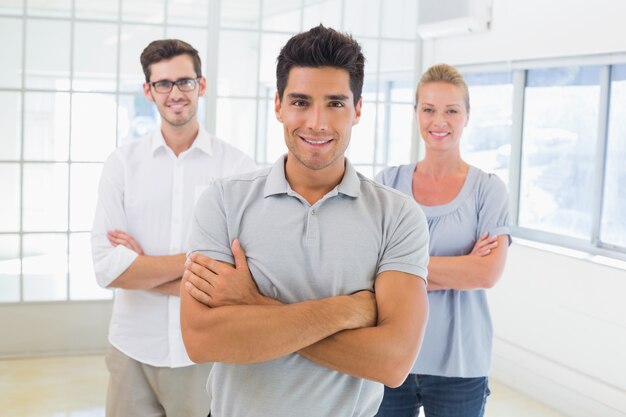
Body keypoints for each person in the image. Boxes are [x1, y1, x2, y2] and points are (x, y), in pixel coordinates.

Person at [179, 25, 430, 417]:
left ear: (358, 110)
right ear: (277, 105)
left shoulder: (397, 216)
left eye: (335, 103)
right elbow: (201, 339)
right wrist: (347, 311)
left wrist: (254, 304)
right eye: (300, 102)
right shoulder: (224, 201)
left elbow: (393, 362)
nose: (316, 122)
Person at [90, 39, 256, 417]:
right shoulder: (122, 164)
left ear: (202, 84)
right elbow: (105, 267)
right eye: (163, 84)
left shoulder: (238, 168)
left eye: (185, 81)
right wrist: (199, 269)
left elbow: (241, 273)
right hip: (131, 349)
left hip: (202, 351)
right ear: (148, 91)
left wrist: (140, 267)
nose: (175, 93)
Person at [373, 63, 511, 417]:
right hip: (390, 354)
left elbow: (486, 275)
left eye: (451, 110)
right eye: (429, 109)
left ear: (466, 116)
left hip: (461, 366)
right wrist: (460, 267)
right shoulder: (388, 183)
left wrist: (402, 272)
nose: (439, 121)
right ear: (416, 113)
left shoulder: (488, 189)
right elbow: (368, 268)